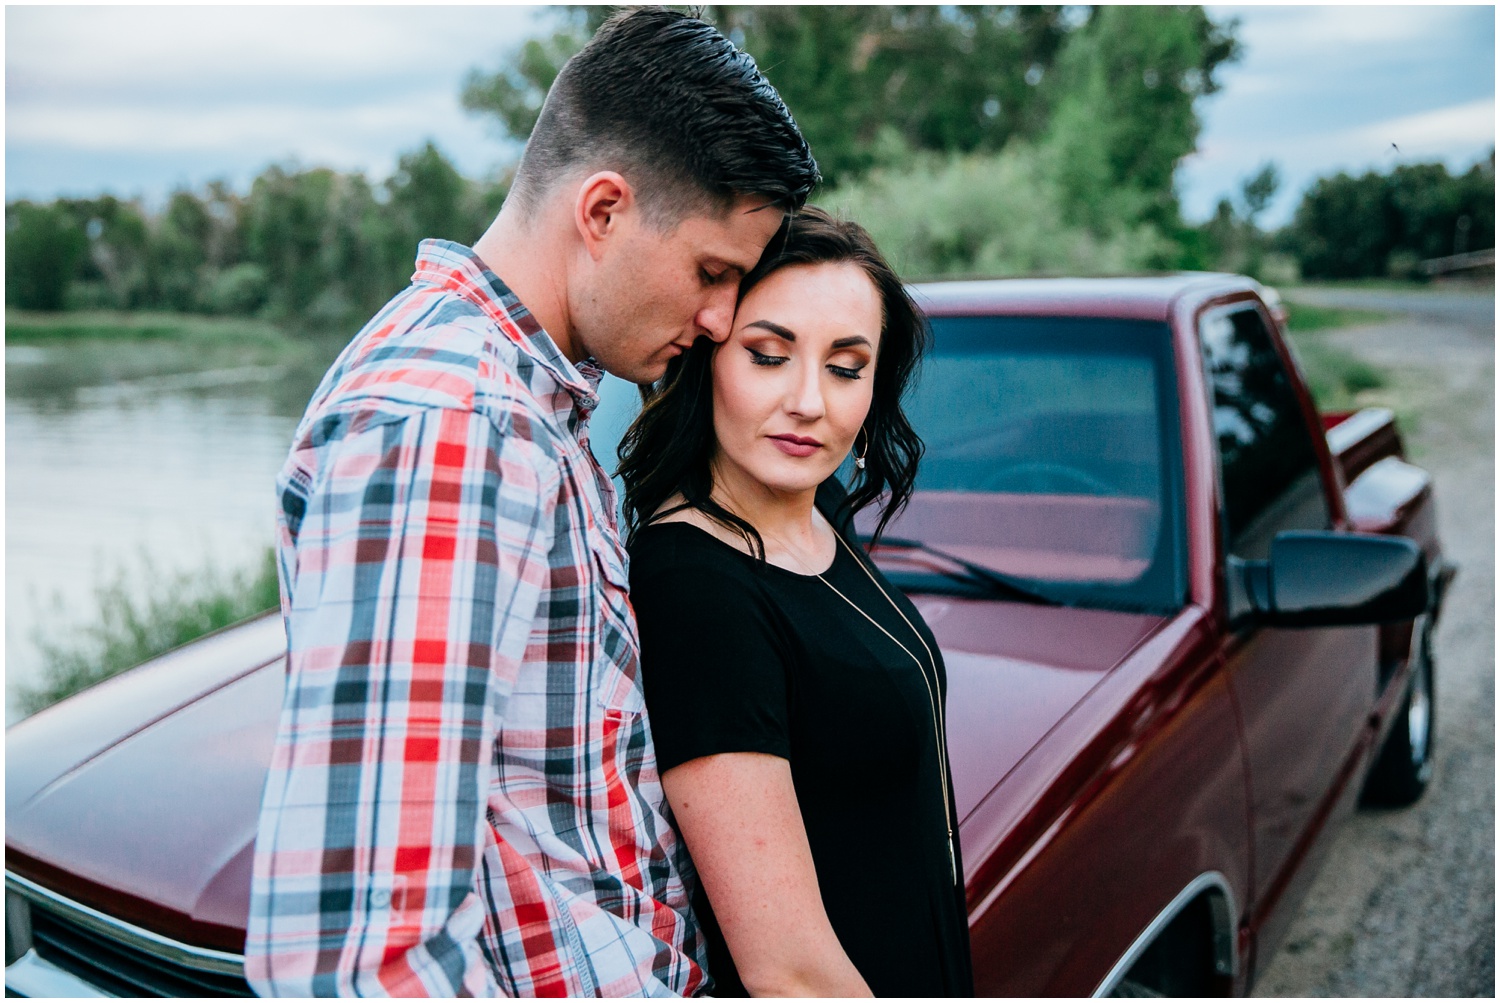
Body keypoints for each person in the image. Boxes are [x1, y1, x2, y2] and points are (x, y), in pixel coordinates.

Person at [244, 8, 818, 997]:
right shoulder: (453, 428)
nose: (721, 318)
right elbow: (359, 962)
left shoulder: (521, 407)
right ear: (602, 211)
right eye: (711, 272)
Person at [618, 207, 974, 997]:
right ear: (706, 355)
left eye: (846, 367)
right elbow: (789, 971)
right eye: (770, 355)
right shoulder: (695, 586)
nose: (809, 401)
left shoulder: (821, 507)